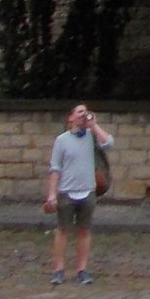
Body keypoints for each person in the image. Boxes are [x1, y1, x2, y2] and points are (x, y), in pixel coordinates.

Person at [43, 103, 113, 284]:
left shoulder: (91, 137)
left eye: (86, 111)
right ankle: (58, 269)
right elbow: (55, 168)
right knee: (63, 231)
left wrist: (94, 126)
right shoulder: (62, 140)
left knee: (84, 231)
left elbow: (109, 143)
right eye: (80, 112)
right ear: (71, 117)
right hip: (67, 192)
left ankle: (82, 269)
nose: (84, 114)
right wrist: (52, 194)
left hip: (87, 191)